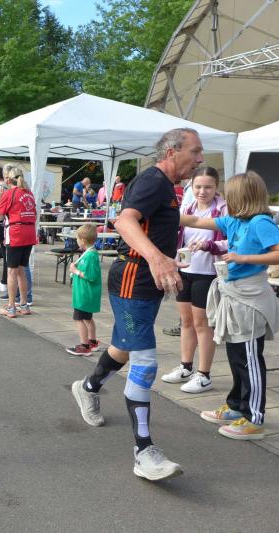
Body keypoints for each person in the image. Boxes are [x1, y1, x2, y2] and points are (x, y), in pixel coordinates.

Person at [70, 128, 204, 481]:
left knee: (124, 347)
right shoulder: (153, 181)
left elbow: (168, 220)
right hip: (134, 280)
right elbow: (124, 220)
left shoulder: (167, 187)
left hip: (145, 283)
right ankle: (144, 451)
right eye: (196, 151)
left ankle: (88, 387)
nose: (201, 158)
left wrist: (224, 222)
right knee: (145, 361)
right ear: (172, 152)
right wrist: (157, 258)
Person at [184, 171, 279, 440]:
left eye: (229, 194)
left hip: (250, 298)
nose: (225, 198)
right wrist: (156, 211)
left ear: (242, 197)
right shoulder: (234, 220)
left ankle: (254, 418)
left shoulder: (260, 222)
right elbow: (195, 220)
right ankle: (236, 407)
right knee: (236, 356)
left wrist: (242, 258)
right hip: (235, 296)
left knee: (249, 359)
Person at [161, 167, 227, 393]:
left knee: (202, 324)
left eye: (208, 187)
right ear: (191, 186)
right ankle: (186, 367)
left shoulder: (223, 210)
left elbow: (233, 241)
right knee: (186, 321)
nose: (202, 191)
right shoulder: (187, 208)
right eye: (198, 186)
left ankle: (204, 375)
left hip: (208, 273)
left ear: (216, 187)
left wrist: (209, 245)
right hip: (186, 270)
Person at [0, 165, 36, 318]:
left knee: (12, 271)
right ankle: (24, 304)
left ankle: (11, 307)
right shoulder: (29, 193)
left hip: (16, 233)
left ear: (8, 180)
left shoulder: (10, 193)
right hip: (29, 233)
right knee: (22, 269)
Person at [65, 224, 102, 355]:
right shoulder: (90, 253)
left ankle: (84, 345)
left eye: (77, 238)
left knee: (79, 319)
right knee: (88, 318)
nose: (76, 241)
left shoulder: (90, 256)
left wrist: (75, 271)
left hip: (84, 294)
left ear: (82, 240)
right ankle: (92, 341)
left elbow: (91, 276)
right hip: (86, 293)